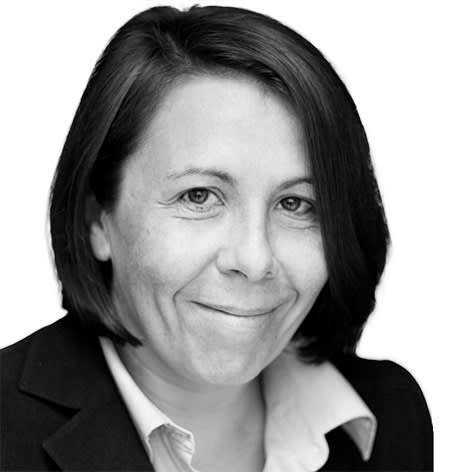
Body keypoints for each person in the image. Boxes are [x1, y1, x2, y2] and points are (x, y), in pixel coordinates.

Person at [0, 4, 433, 472]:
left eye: (296, 204)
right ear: (97, 220)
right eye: (199, 196)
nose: (254, 259)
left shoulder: (387, 416)